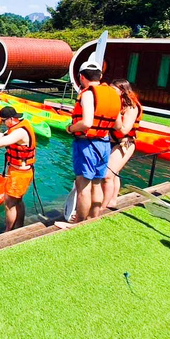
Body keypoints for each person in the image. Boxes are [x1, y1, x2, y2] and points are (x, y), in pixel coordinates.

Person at [67, 61, 122, 221]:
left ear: (82, 77)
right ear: (101, 76)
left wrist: (70, 129)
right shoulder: (113, 94)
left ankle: (78, 222)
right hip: (104, 143)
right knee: (97, 183)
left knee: (83, 185)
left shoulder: (88, 94)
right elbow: (118, 125)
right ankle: (93, 218)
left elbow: (86, 123)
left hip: (87, 144)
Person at [102, 79, 142, 210]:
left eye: (114, 90)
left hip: (125, 143)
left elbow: (125, 129)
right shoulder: (114, 103)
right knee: (114, 172)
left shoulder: (131, 107)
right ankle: (112, 200)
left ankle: (104, 206)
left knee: (108, 174)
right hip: (111, 141)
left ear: (123, 91)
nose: (111, 93)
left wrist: (115, 113)